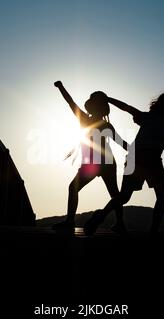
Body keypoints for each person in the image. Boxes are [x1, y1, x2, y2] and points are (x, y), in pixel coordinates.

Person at [84, 92, 164, 235]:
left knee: (125, 196)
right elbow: (128, 108)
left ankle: (100, 216)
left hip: (139, 158)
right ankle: (153, 231)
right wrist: (109, 99)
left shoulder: (150, 118)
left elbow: (127, 108)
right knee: (161, 195)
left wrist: (109, 99)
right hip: (151, 159)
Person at [52, 81, 128, 233]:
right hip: (106, 162)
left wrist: (61, 87)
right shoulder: (106, 124)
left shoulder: (86, 119)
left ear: (92, 106)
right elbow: (123, 144)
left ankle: (70, 221)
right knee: (115, 194)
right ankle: (119, 223)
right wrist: (135, 151)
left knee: (74, 188)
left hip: (95, 163)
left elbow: (70, 102)